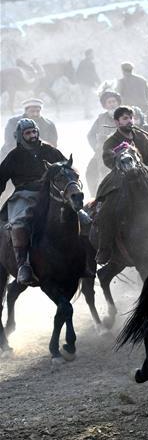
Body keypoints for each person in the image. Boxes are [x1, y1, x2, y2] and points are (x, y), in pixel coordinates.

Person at [94, 106, 148, 265]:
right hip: (120, 177)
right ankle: (105, 249)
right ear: (117, 122)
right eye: (124, 118)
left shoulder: (140, 137)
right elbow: (108, 160)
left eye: (130, 118)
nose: (129, 121)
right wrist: (121, 156)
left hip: (142, 175)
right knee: (107, 210)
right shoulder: (111, 141)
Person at [0, 119, 66, 285]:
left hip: (50, 192)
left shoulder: (50, 150)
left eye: (34, 132)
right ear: (21, 136)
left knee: (74, 213)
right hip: (24, 194)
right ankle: (23, 265)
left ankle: (85, 257)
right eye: (28, 133)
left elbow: (66, 167)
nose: (32, 135)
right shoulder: (14, 156)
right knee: (19, 223)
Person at [76, 49, 101, 118]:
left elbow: (77, 73)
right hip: (87, 84)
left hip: (83, 84)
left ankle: (87, 113)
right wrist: (99, 82)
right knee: (88, 99)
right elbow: (94, 74)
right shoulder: (90, 63)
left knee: (87, 99)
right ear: (89, 55)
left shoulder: (82, 62)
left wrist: (79, 82)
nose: (93, 55)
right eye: (92, 54)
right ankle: (87, 114)